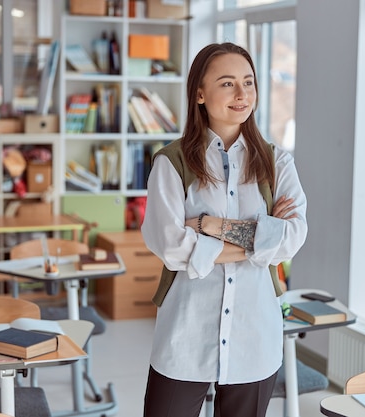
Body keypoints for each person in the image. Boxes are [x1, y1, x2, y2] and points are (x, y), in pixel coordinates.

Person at [141, 42, 308, 417]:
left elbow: (293, 238)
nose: (242, 94)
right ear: (199, 93)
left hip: (254, 336)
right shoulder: (171, 163)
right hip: (185, 334)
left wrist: (208, 227)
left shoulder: (277, 162)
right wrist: (261, 237)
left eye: (248, 82)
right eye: (228, 83)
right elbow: (170, 246)